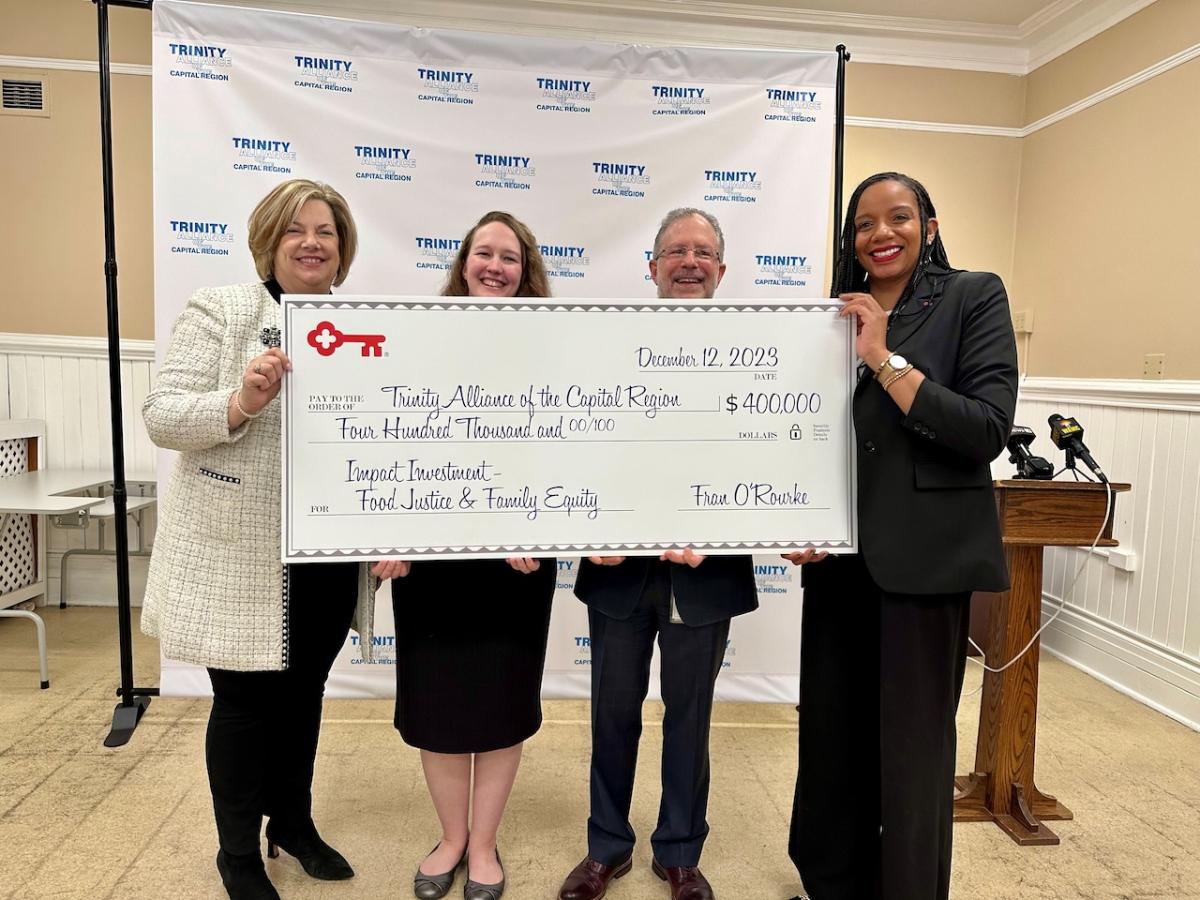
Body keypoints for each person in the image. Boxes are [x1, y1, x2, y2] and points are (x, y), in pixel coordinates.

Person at [142, 178, 407, 900]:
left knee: (304, 695)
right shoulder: (225, 310)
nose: (312, 243)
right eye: (296, 230)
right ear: (270, 238)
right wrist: (240, 402)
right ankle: (236, 855)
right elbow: (163, 416)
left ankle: (291, 821)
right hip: (241, 552)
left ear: (343, 248)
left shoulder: (361, 325)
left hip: (324, 556)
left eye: (326, 231)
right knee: (244, 705)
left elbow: (380, 437)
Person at [784, 172, 1018, 900]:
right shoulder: (826, 316)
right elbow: (807, 435)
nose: (880, 234)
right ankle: (832, 885)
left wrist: (883, 360)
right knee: (832, 742)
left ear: (931, 226)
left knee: (913, 754)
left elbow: (985, 428)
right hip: (838, 561)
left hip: (923, 563)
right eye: (864, 224)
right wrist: (795, 511)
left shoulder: (972, 296)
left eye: (899, 218)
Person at [557, 209, 759, 900]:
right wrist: (589, 530)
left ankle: (679, 852)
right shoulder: (607, 345)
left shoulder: (756, 354)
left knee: (690, 719)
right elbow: (578, 440)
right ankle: (605, 848)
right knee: (612, 714)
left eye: (704, 252)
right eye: (675, 251)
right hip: (618, 575)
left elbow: (765, 459)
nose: (689, 262)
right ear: (651, 267)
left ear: (723, 271)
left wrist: (731, 530)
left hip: (707, 578)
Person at [390, 211, 557, 900]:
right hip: (432, 561)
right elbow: (388, 433)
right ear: (461, 264)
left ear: (527, 272)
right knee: (439, 703)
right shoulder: (418, 341)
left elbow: (568, 443)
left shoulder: (555, 346)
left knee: (500, 701)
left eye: (509, 258)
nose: (495, 266)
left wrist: (541, 527)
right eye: (482, 254)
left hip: (515, 562)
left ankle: (483, 844)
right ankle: (450, 836)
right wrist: (387, 534)